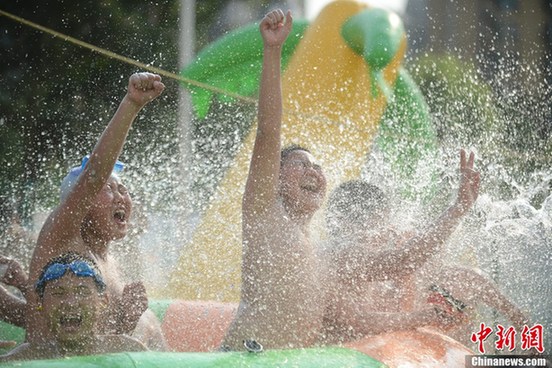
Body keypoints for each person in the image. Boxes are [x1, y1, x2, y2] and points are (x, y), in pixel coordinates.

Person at [25, 72, 167, 350]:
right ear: (78, 204)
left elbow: (92, 338)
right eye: (110, 189)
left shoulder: (108, 261)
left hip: (89, 360)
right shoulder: (62, 236)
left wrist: (127, 319)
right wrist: (132, 104)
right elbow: (93, 176)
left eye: (124, 190)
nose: (121, 196)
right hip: (50, 365)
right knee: (147, 325)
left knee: (146, 321)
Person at [321, 156, 527, 346]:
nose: (387, 234)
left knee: (456, 289)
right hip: (345, 355)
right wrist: (458, 209)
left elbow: (443, 273)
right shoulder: (341, 255)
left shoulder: (374, 265)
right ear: (348, 224)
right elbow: (360, 320)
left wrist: (514, 314)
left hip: (378, 348)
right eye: (381, 224)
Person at [221, 9, 330, 351]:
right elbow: (269, 133)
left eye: (318, 167)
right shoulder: (264, 213)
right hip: (248, 356)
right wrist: (273, 51)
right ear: (276, 178)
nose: (313, 172)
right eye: (301, 165)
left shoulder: (314, 243)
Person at [0, 253, 146, 361]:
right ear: (40, 303)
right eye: (58, 293)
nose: (70, 302)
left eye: (82, 292)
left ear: (103, 301)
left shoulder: (127, 349)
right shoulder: (27, 356)